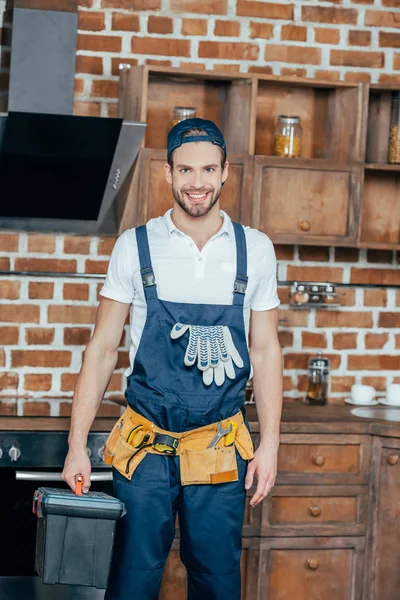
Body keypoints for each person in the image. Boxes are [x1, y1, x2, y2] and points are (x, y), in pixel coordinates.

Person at [62, 118, 283, 600]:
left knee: (218, 580)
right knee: (134, 578)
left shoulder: (255, 250)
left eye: (208, 169)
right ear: (167, 174)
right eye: (185, 170)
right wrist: (77, 444)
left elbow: (266, 351)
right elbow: (102, 349)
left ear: (226, 172)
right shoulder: (134, 246)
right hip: (145, 448)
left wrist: (269, 445)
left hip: (221, 448)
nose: (197, 183)